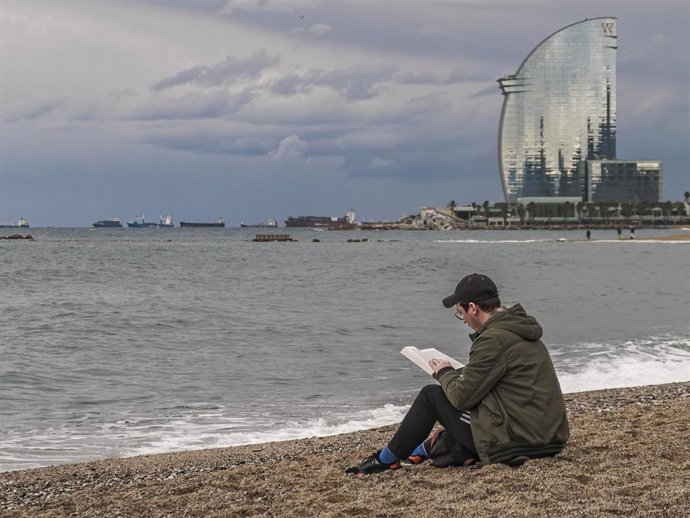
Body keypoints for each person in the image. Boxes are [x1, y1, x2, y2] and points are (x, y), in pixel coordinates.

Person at [346, 273, 569, 476]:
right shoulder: (519, 329)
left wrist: (443, 372)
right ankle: (423, 448)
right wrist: (460, 374)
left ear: (473, 308)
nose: (462, 320)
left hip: (518, 443)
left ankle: (386, 460)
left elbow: (462, 398)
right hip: (550, 438)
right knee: (458, 404)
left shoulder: (493, 339)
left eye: (460, 313)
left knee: (431, 396)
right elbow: (507, 382)